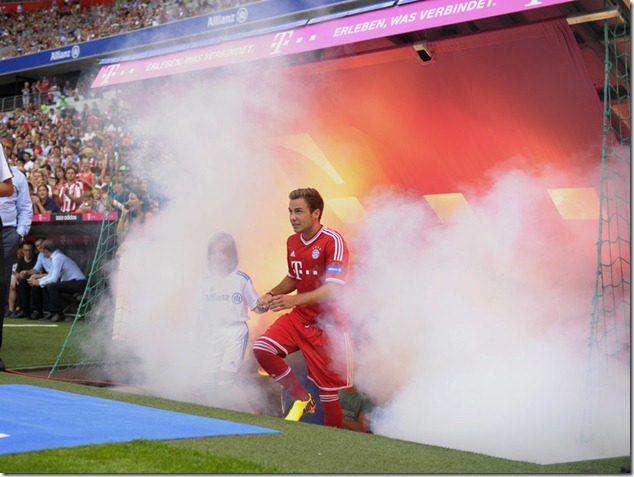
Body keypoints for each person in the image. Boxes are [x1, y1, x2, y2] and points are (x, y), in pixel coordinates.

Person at [252, 188, 353, 427]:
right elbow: (293, 278)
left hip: (327, 325)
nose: (292, 217)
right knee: (262, 349)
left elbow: (334, 289)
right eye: (290, 211)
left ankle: (334, 450)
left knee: (329, 398)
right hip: (300, 318)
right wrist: (271, 294)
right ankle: (301, 398)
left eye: (298, 211)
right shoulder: (292, 241)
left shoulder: (333, 241)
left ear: (316, 213)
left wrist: (292, 300)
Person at [194, 232, 268, 410]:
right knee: (208, 383)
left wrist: (266, 304)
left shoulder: (241, 280)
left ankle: (250, 413)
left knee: (225, 384)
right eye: (213, 252)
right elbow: (200, 312)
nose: (217, 257)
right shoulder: (205, 282)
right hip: (213, 334)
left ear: (231, 255)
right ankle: (219, 413)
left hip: (234, 333)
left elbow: (256, 306)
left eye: (222, 252)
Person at [0, 132, 24, 370]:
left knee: (1, 288)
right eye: (2, 147)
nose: (5, 151)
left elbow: (25, 206)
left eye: (8, 148)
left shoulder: (18, 177)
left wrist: (19, 233)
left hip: (7, 232)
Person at [27, 239, 87, 323]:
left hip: (79, 283)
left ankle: (57, 314)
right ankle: (51, 312)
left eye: (43, 251)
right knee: (48, 285)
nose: (43, 253)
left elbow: (53, 279)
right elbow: (50, 275)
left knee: (52, 286)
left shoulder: (57, 258)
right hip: (74, 282)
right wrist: (37, 281)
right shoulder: (56, 257)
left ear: (46, 251)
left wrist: (39, 282)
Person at [19, 236, 51, 320]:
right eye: (37, 245)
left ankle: (37, 312)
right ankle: (25, 310)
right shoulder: (41, 255)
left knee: (35, 285)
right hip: (46, 277)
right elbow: (36, 269)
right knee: (23, 281)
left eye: (41, 244)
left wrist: (37, 276)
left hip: (54, 278)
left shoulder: (54, 254)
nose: (39, 247)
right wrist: (27, 272)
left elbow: (54, 274)